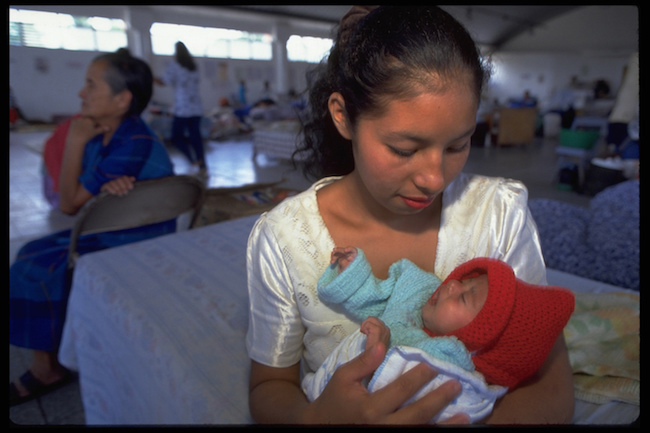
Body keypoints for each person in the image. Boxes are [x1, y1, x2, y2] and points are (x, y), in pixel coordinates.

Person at [246, 6, 574, 425]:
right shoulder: (283, 239)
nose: (434, 178)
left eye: (458, 145)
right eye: (404, 150)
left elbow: (552, 387)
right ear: (343, 116)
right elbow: (269, 386)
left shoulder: (497, 214)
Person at [10, 50, 175, 406]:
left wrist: (74, 139)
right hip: (117, 228)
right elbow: (76, 196)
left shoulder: (131, 143)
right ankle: (58, 348)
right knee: (28, 250)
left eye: (90, 85)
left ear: (122, 100)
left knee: (33, 266)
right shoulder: (114, 135)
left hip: (133, 239)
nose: (80, 94)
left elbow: (69, 204)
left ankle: (47, 370)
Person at [302, 247, 575, 423]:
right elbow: (378, 298)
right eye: (465, 281)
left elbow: (415, 395)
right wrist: (354, 276)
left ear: (478, 347)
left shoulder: (452, 366)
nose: (453, 285)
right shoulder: (419, 294)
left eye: (465, 298)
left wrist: (378, 350)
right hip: (322, 398)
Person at [156, 41, 206, 172]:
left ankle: (192, 160)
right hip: (196, 107)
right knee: (196, 137)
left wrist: (149, 76)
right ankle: (202, 164)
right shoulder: (193, 66)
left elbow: (163, 82)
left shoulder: (175, 66)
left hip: (183, 108)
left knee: (176, 137)